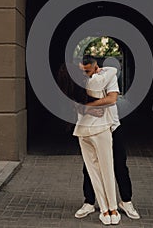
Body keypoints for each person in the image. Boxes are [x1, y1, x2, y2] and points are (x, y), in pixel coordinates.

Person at [75, 56, 140, 220]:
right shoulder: (80, 80)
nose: (85, 74)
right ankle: (89, 202)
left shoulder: (107, 76)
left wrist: (87, 106)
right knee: (89, 167)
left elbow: (112, 98)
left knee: (119, 165)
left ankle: (126, 201)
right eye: (83, 71)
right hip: (90, 128)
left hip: (112, 126)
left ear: (96, 68)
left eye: (88, 71)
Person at [57, 61, 121, 225]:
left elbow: (70, 106)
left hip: (82, 131)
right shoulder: (95, 81)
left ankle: (104, 211)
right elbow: (113, 71)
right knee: (107, 169)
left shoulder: (74, 89)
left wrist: (85, 107)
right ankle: (112, 209)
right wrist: (99, 69)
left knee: (93, 173)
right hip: (100, 130)